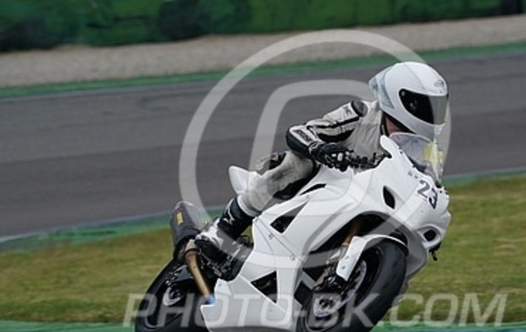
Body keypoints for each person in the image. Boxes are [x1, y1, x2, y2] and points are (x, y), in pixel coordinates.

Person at [185, 61, 449, 280]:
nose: (433, 114)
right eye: (426, 105)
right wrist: (321, 148)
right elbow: (300, 131)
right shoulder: (362, 113)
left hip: (368, 203)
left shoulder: (427, 150)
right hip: (324, 183)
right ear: (403, 100)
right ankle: (222, 231)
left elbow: (428, 188)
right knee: (298, 162)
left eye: (437, 106)